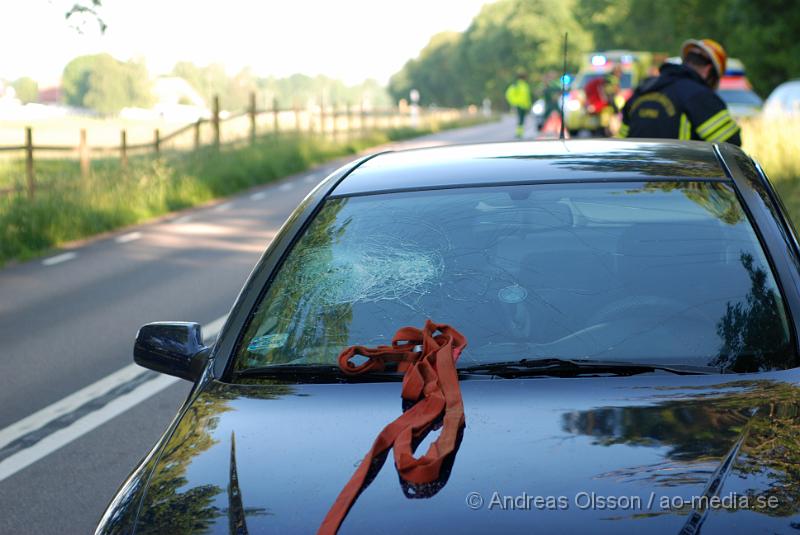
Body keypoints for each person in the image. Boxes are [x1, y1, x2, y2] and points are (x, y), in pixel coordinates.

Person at [619, 39, 741, 146]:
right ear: (709, 71)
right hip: (678, 172)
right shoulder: (700, 96)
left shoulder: (644, 90)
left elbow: (621, 142)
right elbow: (731, 146)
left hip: (635, 172)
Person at [505, 70, 532, 139]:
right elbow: (509, 94)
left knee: (522, 120)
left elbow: (527, 97)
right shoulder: (516, 85)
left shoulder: (525, 85)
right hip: (519, 105)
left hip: (524, 106)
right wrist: (514, 102)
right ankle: (519, 133)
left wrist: (528, 105)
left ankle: (521, 133)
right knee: (520, 119)